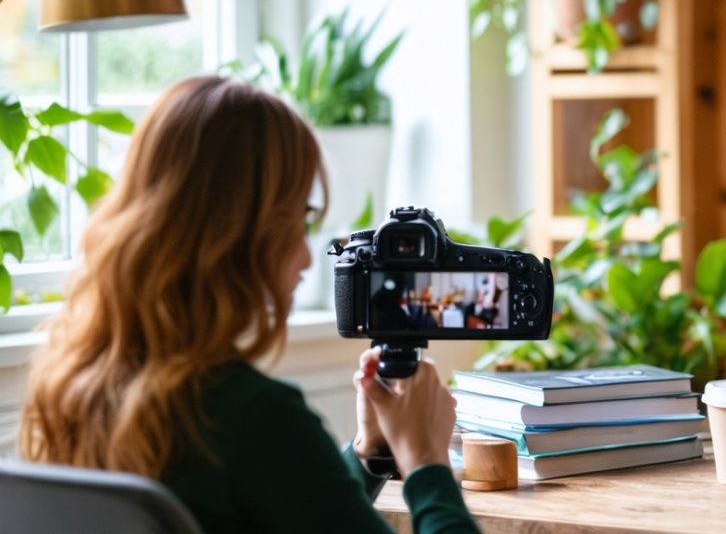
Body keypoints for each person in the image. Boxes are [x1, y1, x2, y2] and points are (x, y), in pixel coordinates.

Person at [18, 76, 479, 534]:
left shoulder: (67, 391)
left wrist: (369, 455)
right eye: (297, 219)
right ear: (239, 236)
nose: (304, 256)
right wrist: (425, 462)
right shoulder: (259, 419)